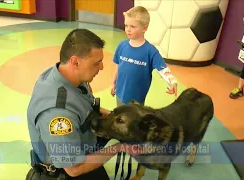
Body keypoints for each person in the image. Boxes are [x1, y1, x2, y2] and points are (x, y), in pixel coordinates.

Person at [25, 29, 147, 180]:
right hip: (64, 172)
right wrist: (119, 147)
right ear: (75, 62)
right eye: (96, 63)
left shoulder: (65, 75)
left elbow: (88, 108)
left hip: (83, 144)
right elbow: (74, 169)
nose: (102, 67)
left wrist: (119, 119)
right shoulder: (58, 115)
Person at [110, 6, 178, 106]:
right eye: (126, 25)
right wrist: (113, 83)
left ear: (144, 28)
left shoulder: (150, 51)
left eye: (133, 26)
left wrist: (172, 81)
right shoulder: (121, 46)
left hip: (137, 100)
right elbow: (118, 66)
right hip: (120, 94)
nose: (128, 30)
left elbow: (163, 69)